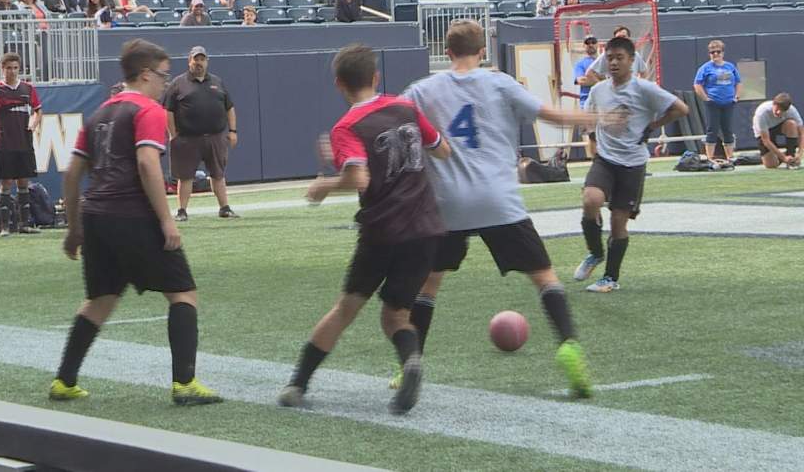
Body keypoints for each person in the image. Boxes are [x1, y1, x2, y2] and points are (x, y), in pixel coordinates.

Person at [403, 21, 604, 398]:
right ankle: (569, 346)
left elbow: (393, 121)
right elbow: (551, 115)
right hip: (498, 200)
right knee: (544, 277)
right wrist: (593, 118)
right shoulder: (499, 83)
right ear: (483, 51)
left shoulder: (422, 89)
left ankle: (409, 365)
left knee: (428, 284)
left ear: (447, 52)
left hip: (447, 203)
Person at [278, 43, 451, 414]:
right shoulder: (406, 107)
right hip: (425, 227)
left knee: (346, 309)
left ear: (339, 84)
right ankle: (411, 361)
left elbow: (359, 178)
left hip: (383, 230)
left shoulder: (346, 127)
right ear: (376, 76)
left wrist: (324, 186)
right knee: (396, 314)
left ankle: (297, 384)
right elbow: (442, 149)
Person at [50, 38, 222, 406]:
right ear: (145, 74)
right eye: (163, 76)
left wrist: (74, 228)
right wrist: (167, 221)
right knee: (183, 293)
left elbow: (72, 172)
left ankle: (64, 380)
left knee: (99, 299)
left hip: (96, 217)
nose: (165, 84)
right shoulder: (148, 111)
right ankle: (185, 383)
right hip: (133, 214)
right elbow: (147, 164)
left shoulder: (98, 114)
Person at [576, 35, 689, 293]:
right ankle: (595, 252)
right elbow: (588, 117)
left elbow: (681, 109)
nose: (614, 63)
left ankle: (610, 278)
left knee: (618, 222)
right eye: (610, 58)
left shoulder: (645, 89)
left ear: (631, 61)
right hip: (605, 159)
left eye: (620, 58)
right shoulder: (598, 90)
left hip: (633, 164)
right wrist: (593, 135)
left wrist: (653, 125)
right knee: (591, 200)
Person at [163, 46, 239, 221]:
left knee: (218, 174)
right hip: (188, 138)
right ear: (189, 61)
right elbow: (168, 110)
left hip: (215, 137)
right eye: (195, 59)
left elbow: (229, 107)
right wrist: (173, 134)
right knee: (185, 176)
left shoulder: (217, 82)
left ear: (207, 61)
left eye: (202, 59)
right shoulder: (178, 83)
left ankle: (224, 208)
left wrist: (233, 131)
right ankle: (182, 211)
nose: (199, 63)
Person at [0, 53, 42, 235]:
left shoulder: (27, 88)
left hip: (24, 141)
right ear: (3, 69)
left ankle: (24, 224)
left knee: (23, 181)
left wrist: (34, 122)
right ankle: (5, 226)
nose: (12, 71)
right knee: (6, 182)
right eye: (9, 68)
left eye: (15, 68)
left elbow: (38, 110)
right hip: (5, 142)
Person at [694, 40, 741, 160]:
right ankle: (710, 158)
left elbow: (738, 82)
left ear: (723, 53)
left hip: (728, 103)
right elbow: (697, 84)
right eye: (712, 52)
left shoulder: (730, 67)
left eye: (718, 51)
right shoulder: (705, 68)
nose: (715, 54)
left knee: (727, 130)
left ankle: (730, 157)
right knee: (712, 130)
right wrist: (706, 98)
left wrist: (736, 96)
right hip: (713, 103)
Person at [752, 92, 802, 169]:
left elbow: (801, 133)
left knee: (792, 124)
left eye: (782, 111)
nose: (779, 112)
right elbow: (766, 140)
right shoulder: (762, 113)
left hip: (779, 126)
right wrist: (783, 158)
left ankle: (791, 155)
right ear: (773, 104)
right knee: (771, 165)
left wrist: (800, 154)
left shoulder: (792, 110)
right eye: (777, 109)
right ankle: (763, 157)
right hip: (764, 132)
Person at [584, 26, 649, 84]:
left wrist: (639, 87)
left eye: (624, 37)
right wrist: (603, 87)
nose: (621, 40)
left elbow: (644, 72)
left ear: (629, 39)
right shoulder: (607, 55)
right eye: (618, 37)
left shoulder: (635, 54)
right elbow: (589, 73)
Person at [573, 36, 599, 159]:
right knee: (592, 135)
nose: (591, 45)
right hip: (587, 103)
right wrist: (600, 81)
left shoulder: (604, 61)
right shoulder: (581, 64)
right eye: (588, 43)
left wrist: (591, 79)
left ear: (597, 44)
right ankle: (596, 161)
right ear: (584, 46)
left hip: (604, 102)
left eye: (593, 42)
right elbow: (581, 80)